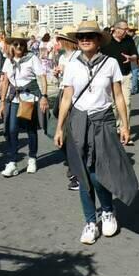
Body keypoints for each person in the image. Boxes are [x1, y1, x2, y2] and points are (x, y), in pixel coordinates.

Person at [54, 21, 138, 245]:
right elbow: (66, 98)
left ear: (99, 39)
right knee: (83, 175)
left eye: (90, 35)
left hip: (103, 121)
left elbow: (118, 96)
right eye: (81, 36)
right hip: (78, 121)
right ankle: (90, 221)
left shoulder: (110, 63)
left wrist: (125, 125)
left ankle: (108, 211)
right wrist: (60, 127)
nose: (85, 39)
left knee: (98, 173)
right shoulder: (72, 65)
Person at [0, 33, 49, 177]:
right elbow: (6, 82)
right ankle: (12, 162)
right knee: (11, 130)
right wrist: (2, 102)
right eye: (15, 44)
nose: (19, 46)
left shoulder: (32, 58)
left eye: (21, 44)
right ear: (11, 46)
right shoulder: (8, 61)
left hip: (29, 98)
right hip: (13, 98)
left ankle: (32, 158)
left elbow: (42, 77)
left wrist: (44, 96)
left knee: (30, 129)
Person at [99, 20, 139, 144]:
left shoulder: (129, 40)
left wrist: (131, 58)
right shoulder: (107, 42)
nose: (126, 32)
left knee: (126, 103)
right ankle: (116, 128)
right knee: (114, 106)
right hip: (110, 78)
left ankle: (125, 129)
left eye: (127, 29)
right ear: (116, 29)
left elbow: (135, 56)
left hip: (125, 75)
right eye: (124, 29)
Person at [52, 26, 81, 190]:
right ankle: (74, 166)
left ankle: (76, 172)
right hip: (64, 93)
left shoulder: (79, 56)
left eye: (60, 39)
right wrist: (58, 73)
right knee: (60, 131)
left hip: (75, 96)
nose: (58, 42)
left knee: (71, 134)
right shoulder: (63, 57)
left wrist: (66, 70)